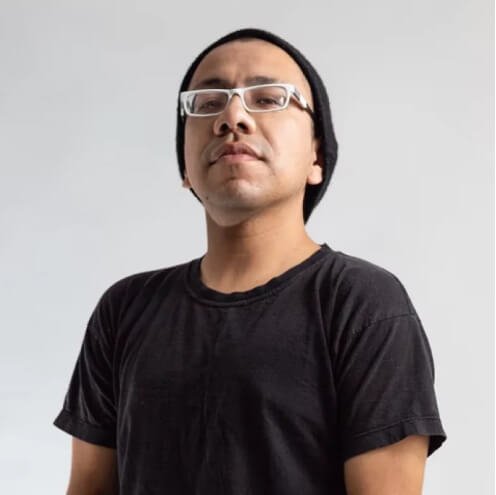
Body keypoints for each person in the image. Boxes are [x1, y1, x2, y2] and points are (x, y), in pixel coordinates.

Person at [53, 28, 447, 494]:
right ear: (185, 166)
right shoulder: (125, 309)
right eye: (208, 102)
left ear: (317, 156)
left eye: (268, 98)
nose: (233, 117)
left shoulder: (363, 305)